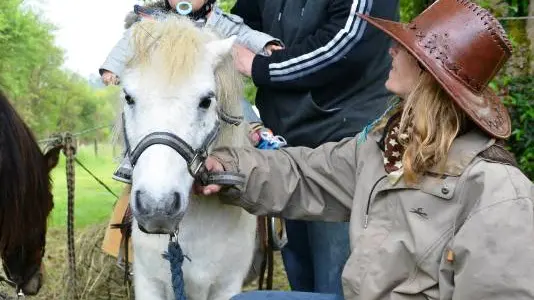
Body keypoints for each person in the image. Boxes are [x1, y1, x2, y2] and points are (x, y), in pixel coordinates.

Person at [195, 0, 534, 299]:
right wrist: (226, 169)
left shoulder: (499, 191)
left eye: (404, 47)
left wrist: (257, 64)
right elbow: (304, 175)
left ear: (429, 73)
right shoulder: (387, 148)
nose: (390, 50)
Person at [229, 0, 399, 294]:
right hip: (286, 142)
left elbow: (346, 44)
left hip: (343, 140)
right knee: (301, 275)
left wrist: (259, 66)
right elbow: (241, 24)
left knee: (337, 278)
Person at [98, 0, 285, 183]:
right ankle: (133, 158)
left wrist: (265, 45)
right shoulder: (153, 23)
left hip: (210, 88)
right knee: (142, 110)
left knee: (237, 102)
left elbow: (244, 35)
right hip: (168, 92)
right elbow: (129, 42)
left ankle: (257, 133)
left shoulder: (220, 21)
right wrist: (111, 67)